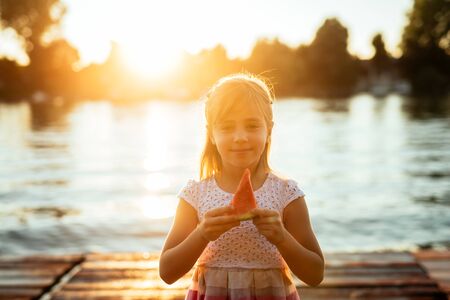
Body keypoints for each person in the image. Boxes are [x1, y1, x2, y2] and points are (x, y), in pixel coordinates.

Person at [159, 73, 324, 300]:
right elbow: (167, 272)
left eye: (252, 125)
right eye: (227, 127)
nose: (240, 137)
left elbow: (315, 274)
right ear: (212, 135)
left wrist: (282, 238)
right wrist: (202, 233)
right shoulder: (195, 194)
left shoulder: (287, 194)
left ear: (269, 130)